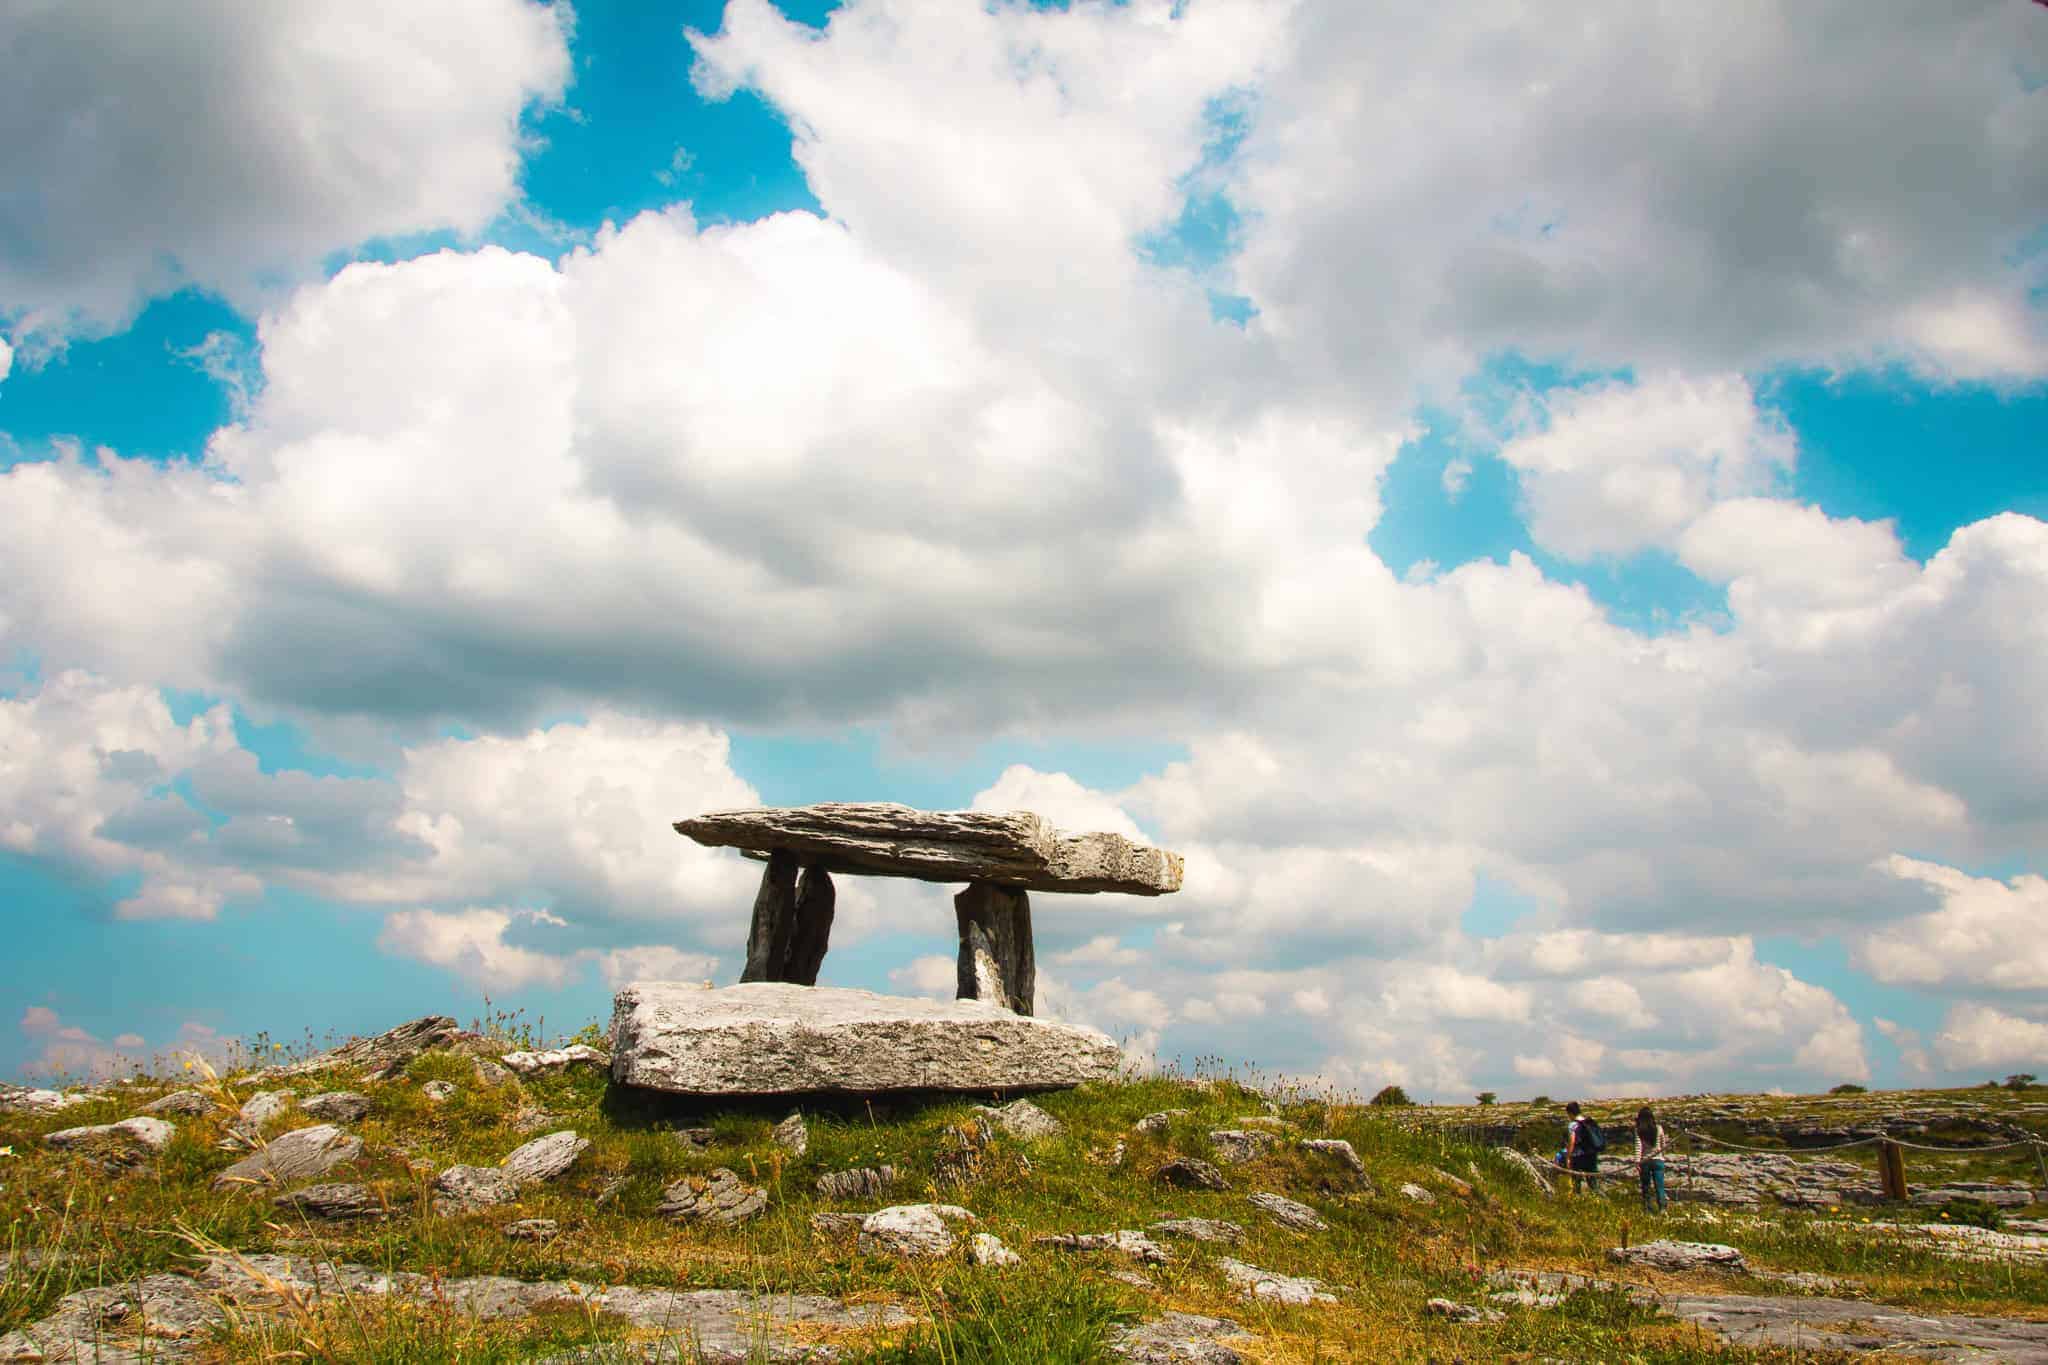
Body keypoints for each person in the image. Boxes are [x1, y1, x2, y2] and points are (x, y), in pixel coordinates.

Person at [1563, 1100, 1601, 1193]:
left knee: (1576, 1181)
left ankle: (1578, 1200)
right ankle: (1598, 1200)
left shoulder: (1573, 1125)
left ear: (1570, 1113)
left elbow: (1572, 1141)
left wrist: (1568, 1157)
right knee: (1593, 1182)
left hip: (1578, 1156)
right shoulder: (1588, 1122)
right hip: (1591, 1154)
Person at [1635, 1105, 1668, 1212]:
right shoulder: (1659, 1128)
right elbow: (1663, 1144)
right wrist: (1663, 1156)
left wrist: (1637, 1162)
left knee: (1646, 1187)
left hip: (1645, 1161)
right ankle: (1662, 1208)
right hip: (1658, 1160)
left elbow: (1638, 1147)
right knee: (1660, 1186)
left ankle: (1647, 1209)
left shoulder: (1638, 1130)